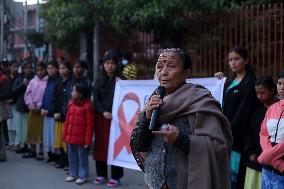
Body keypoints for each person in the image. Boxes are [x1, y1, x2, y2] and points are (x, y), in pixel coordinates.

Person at [130, 48, 232, 189]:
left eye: (171, 66)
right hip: (153, 183)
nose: (163, 72)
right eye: (160, 67)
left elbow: (218, 147)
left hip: (187, 182)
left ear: (186, 73)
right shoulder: (155, 100)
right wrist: (146, 118)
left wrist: (180, 139)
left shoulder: (201, 101)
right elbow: (140, 146)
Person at [215, 46, 258, 189]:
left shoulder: (250, 83)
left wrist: (228, 131)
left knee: (234, 177)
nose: (233, 63)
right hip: (223, 135)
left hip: (237, 138)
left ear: (246, 60)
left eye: (236, 59)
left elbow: (243, 114)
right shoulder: (227, 81)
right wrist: (218, 82)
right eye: (230, 60)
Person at [93, 49, 123, 187]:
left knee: (114, 146)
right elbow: (96, 100)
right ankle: (101, 174)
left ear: (117, 65)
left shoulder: (121, 80)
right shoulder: (98, 80)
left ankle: (116, 176)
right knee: (101, 146)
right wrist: (103, 111)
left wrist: (121, 84)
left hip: (115, 119)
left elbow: (123, 99)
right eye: (106, 63)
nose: (109, 66)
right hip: (101, 118)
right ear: (103, 65)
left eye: (112, 63)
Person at [243, 76, 278, 189]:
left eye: (262, 92)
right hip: (254, 161)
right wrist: (249, 152)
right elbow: (247, 132)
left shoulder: (279, 109)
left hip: (273, 164)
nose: (259, 96)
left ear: (272, 90)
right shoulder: (255, 109)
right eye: (257, 93)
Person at [63, 83, 94, 185]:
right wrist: (65, 135)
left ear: (80, 94)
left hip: (81, 139)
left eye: (74, 91)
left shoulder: (87, 106)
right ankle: (73, 173)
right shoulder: (71, 104)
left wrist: (88, 140)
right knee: (72, 156)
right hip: (71, 137)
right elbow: (67, 122)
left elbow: (90, 125)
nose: (72, 92)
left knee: (82, 157)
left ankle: (82, 175)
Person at [257, 72, 284, 188]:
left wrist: (266, 156)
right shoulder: (272, 108)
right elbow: (263, 134)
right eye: (279, 83)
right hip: (269, 168)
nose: (282, 87)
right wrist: (275, 162)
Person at [23, 62, 48, 159]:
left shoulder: (48, 81)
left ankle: (41, 152)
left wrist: (40, 106)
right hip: (33, 110)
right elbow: (27, 94)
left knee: (41, 131)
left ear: (45, 70)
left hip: (42, 110)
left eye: (41, 70)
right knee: (31, 130)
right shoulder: (32, 81)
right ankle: (32, 150)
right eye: (38, 70)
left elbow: (46, 96)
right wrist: (31, 105)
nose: (40, 72)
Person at [53, 61, 73, 168]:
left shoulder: (71, 82)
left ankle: (68, 161)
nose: (61, 70)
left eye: (64, 68)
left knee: (67, 140)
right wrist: (55, 112)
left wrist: (62, 113)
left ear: (69, 70)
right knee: (60, 139)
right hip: (58, 115)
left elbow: (68, 100)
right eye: (60, 68)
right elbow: (55, 98)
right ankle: (61, 160)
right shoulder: (58, 82)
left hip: (66, 116)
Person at [13, 61, 34, 153]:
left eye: (30, 67)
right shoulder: (19, 78)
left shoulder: (34, 78)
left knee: (30, 128)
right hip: (21, 106)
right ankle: (24, 145)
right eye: (26, 68)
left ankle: (31, 148)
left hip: (31, 108)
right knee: (21, 128)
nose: (28, 70)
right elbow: (14, 91)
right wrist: (23, 84)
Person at [41, 61, 59, 161]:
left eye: (52, 68)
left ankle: (56, 156)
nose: (50, 70)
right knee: (47, 135)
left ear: (56, 69)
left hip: (53, 114)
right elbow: (45, 95)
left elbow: (56, 99)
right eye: (48, 68)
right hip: (46, 113)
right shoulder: (48, 80)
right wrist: (42, 107)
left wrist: (49, 110)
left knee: (54, 136)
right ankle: (50, 155)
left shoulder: (58, 81)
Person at [0, 65, 12, 162]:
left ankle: (1, 155)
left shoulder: (4, 79)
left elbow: (6, 94)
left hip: (1, 108)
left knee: (0, 133)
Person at [7, 60, 19, 150]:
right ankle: (11, 142)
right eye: (14, 66)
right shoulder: (7, 77)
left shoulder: (19, 77)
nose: (16, 68)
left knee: (16, 125)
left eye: (16, 67)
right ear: (9, 67)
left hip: (16, 104)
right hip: (8, 104)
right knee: (9, 125)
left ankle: (17, 143)